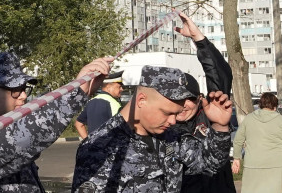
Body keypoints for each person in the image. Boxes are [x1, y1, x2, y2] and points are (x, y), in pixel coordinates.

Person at [0, 52, 114, 192]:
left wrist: (85, 89)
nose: (24, 96)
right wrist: (78, 91)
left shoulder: (1, 127)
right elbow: (27, 134)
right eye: (14, 90)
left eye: (24, 89)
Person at [72, 66, 234, 192]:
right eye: (167, 113)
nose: (173, 120)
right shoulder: (100, 147)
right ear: (142, 100)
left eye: (176, 113)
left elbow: (210, 163)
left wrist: (219, 126)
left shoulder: (171, 137)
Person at [169, 11, 237, 193]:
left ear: (200, 99)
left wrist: (199, 39)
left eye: (189, 99)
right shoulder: (164, 126)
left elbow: (219, 74)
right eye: (177, 100)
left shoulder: (210, 114)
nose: (183, 105)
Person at [232, 92, 282, 192]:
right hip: (278, 164)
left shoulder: (249, 119)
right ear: (275, 106)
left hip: (253, 164)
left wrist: (236, 158)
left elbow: (238, 140)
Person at [75, 71, 124, 137]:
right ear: (109, 87)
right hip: (109, 146)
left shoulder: (91, 102)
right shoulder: (114, 104)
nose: (122, 89)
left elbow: (79, 124)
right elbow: (122, 129)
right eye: (119, 86)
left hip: (93, 146)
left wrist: (88, 142)